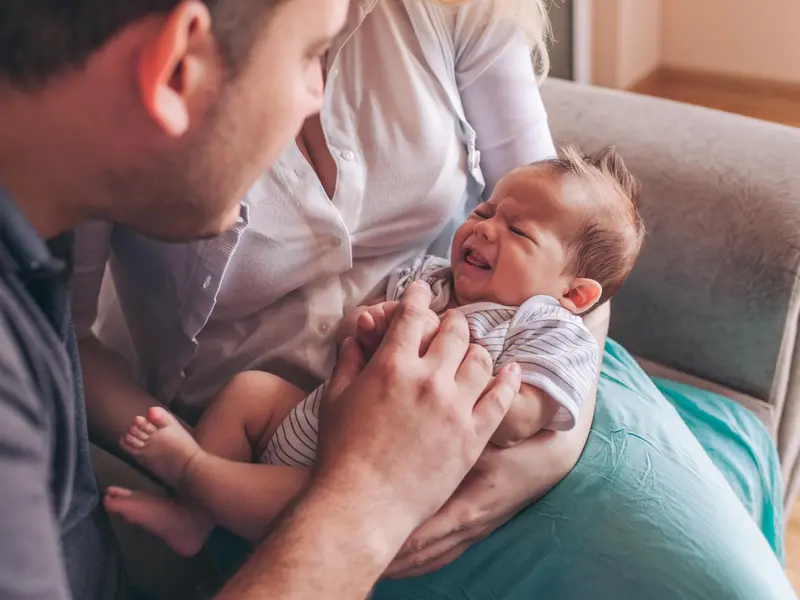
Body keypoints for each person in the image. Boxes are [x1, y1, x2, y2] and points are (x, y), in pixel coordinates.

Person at [73, 1, 795, 599]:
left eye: (504, 225)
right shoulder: (126, 58)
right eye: (485, 214)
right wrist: (182, 459)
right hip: (294, 437)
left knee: (717, 573)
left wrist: (540, 457)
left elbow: (566, 263)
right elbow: (63, 335)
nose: (483, 226)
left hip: (500, 410)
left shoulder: (450, 9)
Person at [0, 0, 526, 599]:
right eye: (308, 58)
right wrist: (372, 496)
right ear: (176, 68)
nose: (317, 97)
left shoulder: (31, 269)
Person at [103, 146, 646, 557]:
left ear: (574, 293)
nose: (483, 230)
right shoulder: (430, 281)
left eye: (519, 230)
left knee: (312, 503)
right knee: (250, 391)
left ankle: (196, 473)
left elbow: (527, 415)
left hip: (375, 467)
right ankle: (192, 519)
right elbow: (350, 338)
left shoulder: (543, 322)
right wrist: (370, 325)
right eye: (484, 212)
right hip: (320, 416)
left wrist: (464, 372)